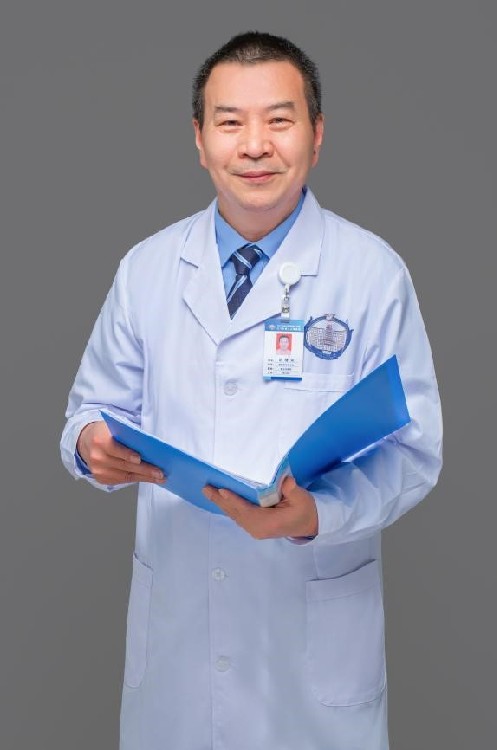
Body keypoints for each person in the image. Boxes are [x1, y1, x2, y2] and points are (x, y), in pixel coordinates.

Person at [61, 31, 442, 750]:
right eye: (231, 122)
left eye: (280, 119)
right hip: (178, 641)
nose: (255, 145)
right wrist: (90, 445)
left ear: (317, 134)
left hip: (309, 653)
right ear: (200, 140)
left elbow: (414, 449)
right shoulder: (146, 269)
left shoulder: (371, 273)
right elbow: (91, 409)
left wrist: (316, 515)